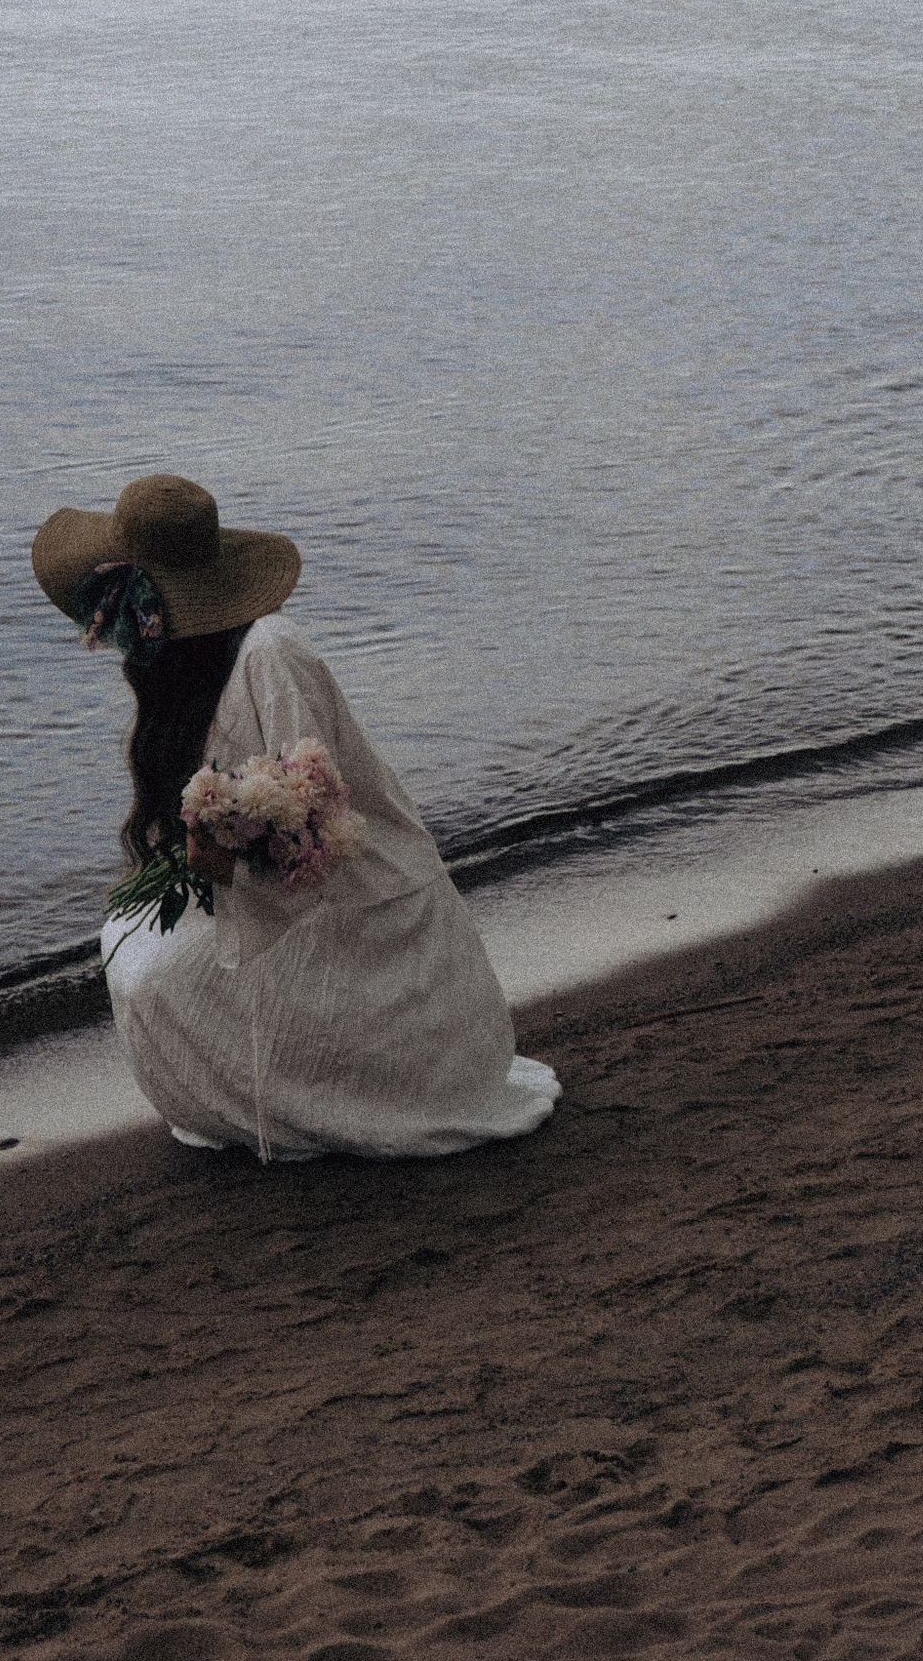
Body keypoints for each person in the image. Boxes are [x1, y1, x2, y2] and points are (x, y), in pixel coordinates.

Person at [31, 471, 560, 1160]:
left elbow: (313, 828)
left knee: (153, 974)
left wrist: (224, 860)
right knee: (127, 938)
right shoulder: (195, 663)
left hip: (352, 901)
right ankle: (253, 1098)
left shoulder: (269, 653)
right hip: (279, 890)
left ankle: (299, 1095)